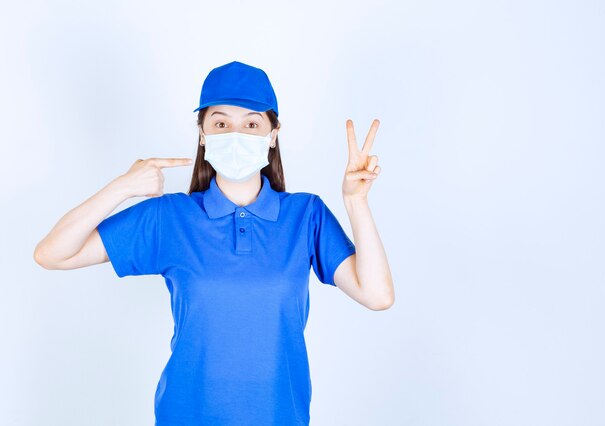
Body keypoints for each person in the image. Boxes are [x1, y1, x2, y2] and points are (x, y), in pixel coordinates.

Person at [33, 60, 394, 425]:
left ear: (273, 134)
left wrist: (356, 202)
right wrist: (122, 187)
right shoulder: (169, 218)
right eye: (221, 123)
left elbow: (377, 296)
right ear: (203, 133)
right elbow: (52, 253)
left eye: (251, 124)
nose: (236, 134)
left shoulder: (306, 216)